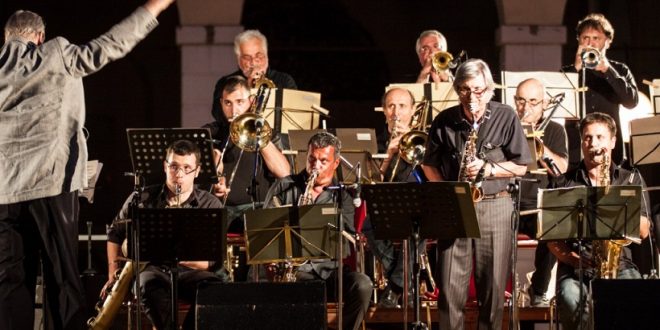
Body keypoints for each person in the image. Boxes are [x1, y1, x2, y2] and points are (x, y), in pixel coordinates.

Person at [0, 1, 174, 328]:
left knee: (9, 281)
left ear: (6, 37)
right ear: (39, 36)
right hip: (50, 184)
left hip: (3, 191)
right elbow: (109, 46)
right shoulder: (56, 55)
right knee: (61, 277)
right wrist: (153, 8)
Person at [422, 59, 531, 329]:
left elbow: (521, 165)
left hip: (495, 204)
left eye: (478, 90)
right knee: (449, 291)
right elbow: (428, 165)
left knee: (492, 293)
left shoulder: (505, 115)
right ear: (457, 89)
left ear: (489, 89)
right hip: (456, 207)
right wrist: (446, 194)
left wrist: (489, 168)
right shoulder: (444, 120)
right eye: (465, 90)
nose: (472, 97)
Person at [548, 112, 651, 329]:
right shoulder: (564, 182)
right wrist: (572, 258)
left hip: (620, 264)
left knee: (637, 300)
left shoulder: (630, 178)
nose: (592, 143)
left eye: (599, 137)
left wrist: (610, 210)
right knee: (571, 298)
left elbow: (643, 230)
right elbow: (551, 239)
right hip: (577, 266)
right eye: (587, 137)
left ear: (613, 141)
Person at [106, 140, 223, 330]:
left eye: (187, 168)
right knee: (148, 286)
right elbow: (114, 234)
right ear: (164, 166)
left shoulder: (210, 205)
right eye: (174, 167)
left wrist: (176, 254)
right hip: (153, 271)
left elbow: (210, 263)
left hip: (191, 272)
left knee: (215, 290)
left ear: (198, 170)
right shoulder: (142, 199)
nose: (179, 175)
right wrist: (113, 274)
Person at [263, 132, 372, 330]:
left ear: (335, 163)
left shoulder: (343, 197)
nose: (316, 166)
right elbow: (265, 229)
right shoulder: (284, 187)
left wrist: (350, 238)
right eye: (312, 159)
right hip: (294, 271)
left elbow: (346, 242)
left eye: (323, 161)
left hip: (329, 271)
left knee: (363, 285)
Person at [366, 87, 428, 308]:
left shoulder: (423, 141)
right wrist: (389, 154)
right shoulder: (376, 142)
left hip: (418, 205)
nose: (396, 112)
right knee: (368, 224)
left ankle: (393, 288)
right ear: (384, 111)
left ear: (412, 111)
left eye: (402, 106)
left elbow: (431, 177)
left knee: (418, 227)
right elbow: (371, 183)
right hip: (387, 206)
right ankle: (404, 284)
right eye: (391, 106)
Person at [205, 75, 290, 234]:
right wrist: (215, 177)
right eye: (227, 103)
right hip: (222, 210)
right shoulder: (211, 132)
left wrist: (258, 133)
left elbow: (284, 173)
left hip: (256, 210)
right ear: (221, 103)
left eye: (239, 102)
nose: (233, 110)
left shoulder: (267, 133)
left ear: (251, 101)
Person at [514, 78, 569, 307]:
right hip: (509, 200)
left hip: (538, 202)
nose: (526, 107)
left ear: (545, 103)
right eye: (521, 101)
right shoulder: (507, 126)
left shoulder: (555, 129)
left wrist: (538, 144)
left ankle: (538, 289)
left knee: (555, 227)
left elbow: (562, 168)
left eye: (533, 101)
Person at [562, 13, 638, 168]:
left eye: (596, 38)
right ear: (579, 40)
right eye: (585, 38)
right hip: (576, 148)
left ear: (607, 42)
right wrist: (575, 70)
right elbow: (558, 103)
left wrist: (607, 70)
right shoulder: (567, 71)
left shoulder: (619, 69)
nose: (590, 43)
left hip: (609, 147)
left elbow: (631, 101)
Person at [211, 29, 297, 124]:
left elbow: (294, 116)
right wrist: (247, 87)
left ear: (266, 55)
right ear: (238, 59)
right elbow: (217, 115)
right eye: (247, 58)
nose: (253, 62)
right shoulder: (225, 83)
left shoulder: (284, 80)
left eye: (258, 56)